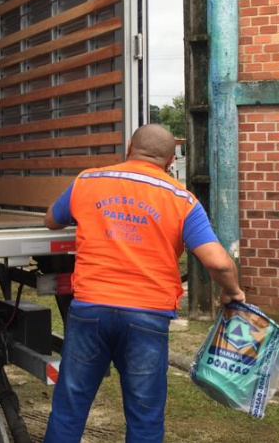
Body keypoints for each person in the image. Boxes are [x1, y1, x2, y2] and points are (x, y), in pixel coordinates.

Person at [42, 124, 246, 443]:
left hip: (90, 309)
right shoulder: (182, 199)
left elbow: (52, 220)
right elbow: (219, 262)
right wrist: (230, 292)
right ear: (169, 162)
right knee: (145, 415)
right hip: (147, 318)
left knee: (70, 407)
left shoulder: (88, 181)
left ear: (128, 147)